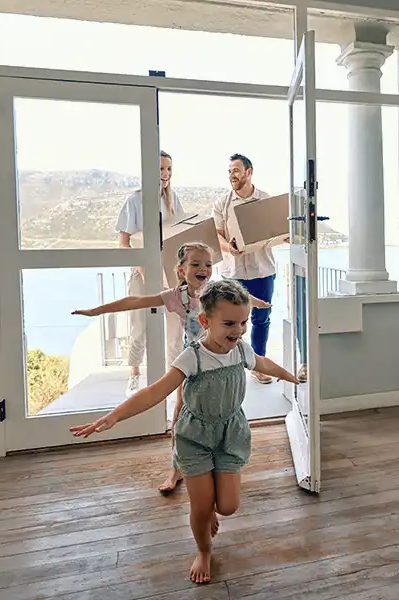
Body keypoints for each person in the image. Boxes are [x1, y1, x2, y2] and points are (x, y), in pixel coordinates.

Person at [71, 279, 300, 584]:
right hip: (194, 438)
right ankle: (204, 550)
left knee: (228, 506)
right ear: (205, 321)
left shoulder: (240, 350)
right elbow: (154, 391)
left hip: (229, 434)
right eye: (230, 323)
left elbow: (262, 362)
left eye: (243, 322)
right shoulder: (193, 356)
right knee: (201, 506)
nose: (239, 330)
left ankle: (211, 514)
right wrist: (114, 417)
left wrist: (287, 374)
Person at [72, 243, 271, 494]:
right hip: (194, 361)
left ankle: (222, 461)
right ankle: (177, 468)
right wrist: (95, 311)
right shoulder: (176, 296)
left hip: (222, 358)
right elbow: (135, 300)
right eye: (196, 264)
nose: (203, 269)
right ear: (181, 269)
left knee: (224, 409)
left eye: (208, 265)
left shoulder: (217, 291)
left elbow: (239, 297)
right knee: (180, 412)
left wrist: (259, 303)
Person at [211, 154, 286, 385]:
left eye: (236, 170)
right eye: (229, 171)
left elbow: (276, 231)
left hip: (262, 271)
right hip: (232, 273)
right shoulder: (222, 203)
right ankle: (227, 367)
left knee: (261, 319)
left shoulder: (265, 200)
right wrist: (229, 248)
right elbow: (217, 234)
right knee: (228, 321)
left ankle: (258, 365)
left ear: (248, 172)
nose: (232, 175)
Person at [116, 151, 185, 396]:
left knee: (176, 327)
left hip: (169, 273)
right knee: (140, 327)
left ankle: (174, 381)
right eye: (160, 169)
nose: (165, 175)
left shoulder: (173, 200)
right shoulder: (134, 201)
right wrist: (141, 268)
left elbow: (179, 236)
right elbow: (124, 243)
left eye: (169, 170)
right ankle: (134, 374)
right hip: (142, 273)